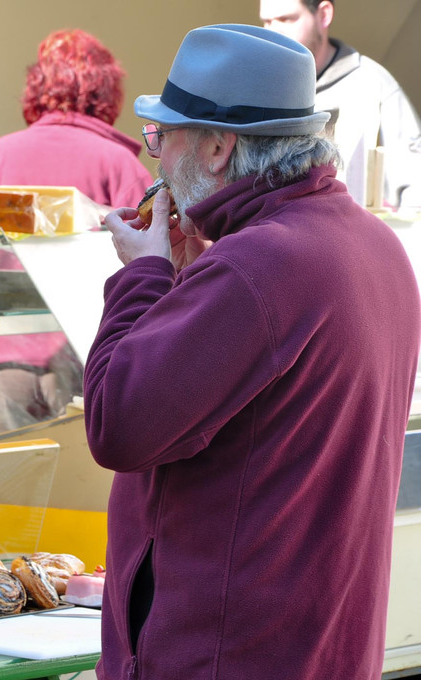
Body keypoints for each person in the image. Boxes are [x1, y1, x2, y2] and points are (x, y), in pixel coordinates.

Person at [88, 24, 419, 679]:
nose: (158, 158)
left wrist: (144, 275)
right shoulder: (376, 244)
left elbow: (117, 424)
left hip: (225, 652)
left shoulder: (256, 265)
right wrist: (187, 281)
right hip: (321, 647)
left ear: (217, 147)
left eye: (164, 135)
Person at [0, 28, 152, 434]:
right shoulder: (118, 163)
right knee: (82, 472)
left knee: (16, 472)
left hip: (5, 357)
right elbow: (153, 259)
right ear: (107, 91)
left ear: (36, 86)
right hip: (87, 356)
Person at [260, 0, 421, 208]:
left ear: (324, 15)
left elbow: (414, 188)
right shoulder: (258, 89)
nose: (273, 33)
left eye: (286, 19)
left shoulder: (374, 85)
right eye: (267, 22)